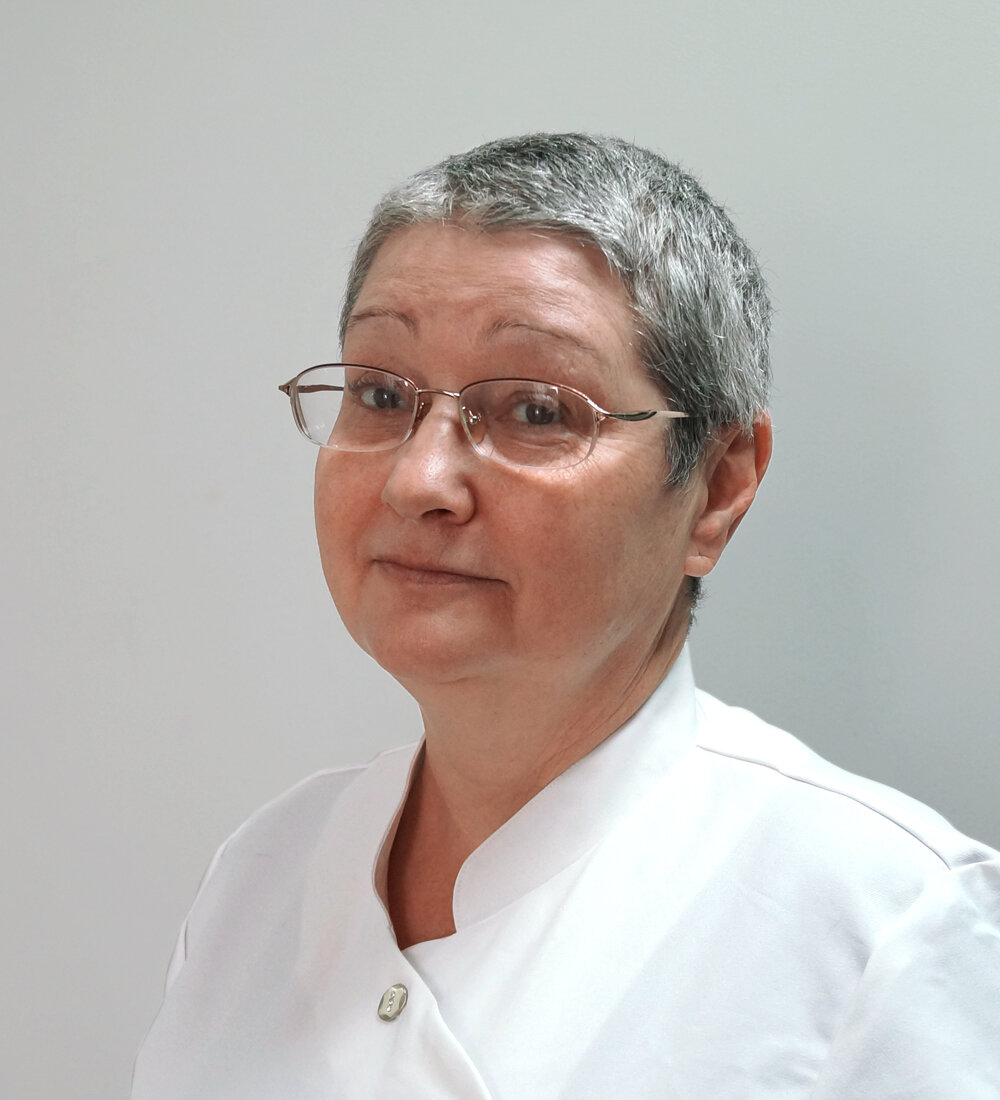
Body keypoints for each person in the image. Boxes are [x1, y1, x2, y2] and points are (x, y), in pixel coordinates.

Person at [131, 134, 1000, 1098]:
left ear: (717, 489)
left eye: (537, 410)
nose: (420, 480)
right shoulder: (265, 874)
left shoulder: (882, 927)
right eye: (379, 394)